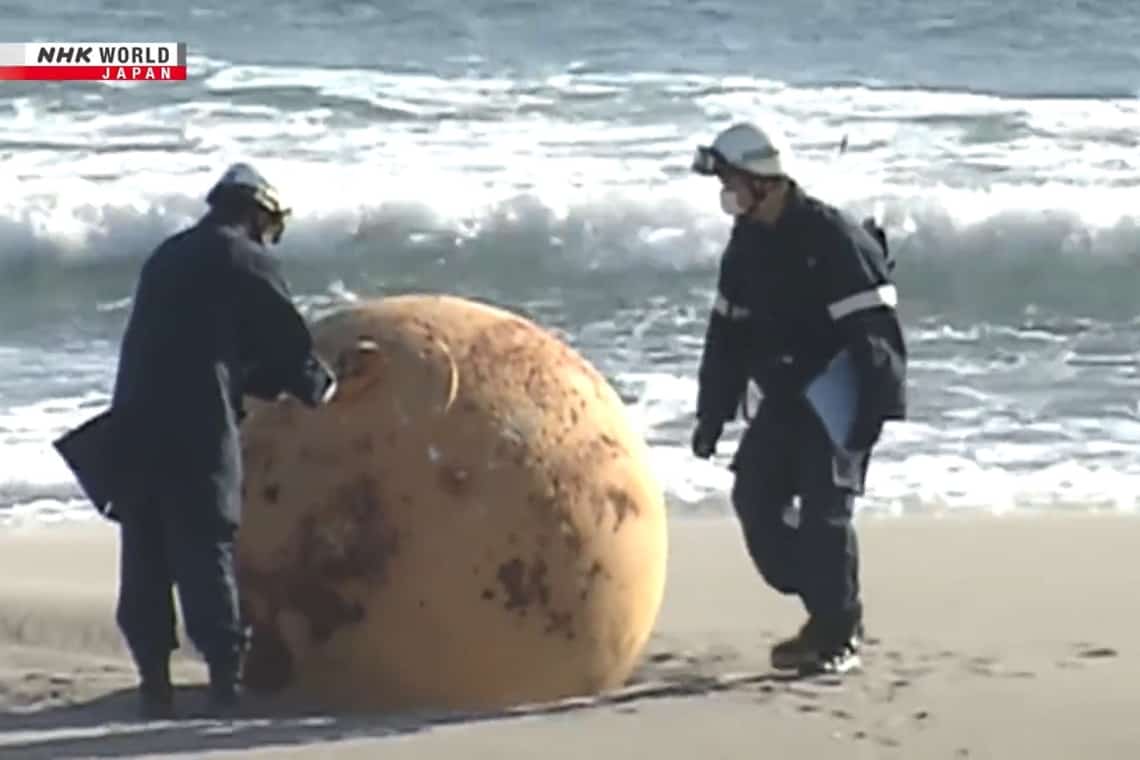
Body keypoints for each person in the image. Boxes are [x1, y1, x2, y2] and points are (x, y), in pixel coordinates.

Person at [62, 163, 338, 718]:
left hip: (136, 419)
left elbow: (212, 343)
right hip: (197, 425)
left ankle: (154, 686)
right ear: (258, 213)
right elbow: (286, 345)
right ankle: (224, 685)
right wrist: (321, 387)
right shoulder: (246, 258)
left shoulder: (168, 254)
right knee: (205, 543)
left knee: (146, 548)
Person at [688, 121, 907, 676]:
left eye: (734, 181)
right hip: (783, 393)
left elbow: (877, 336)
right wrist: (711, 415)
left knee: (824, 517)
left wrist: (872, 414)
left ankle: (837, 634)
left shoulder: (834, 239)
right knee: (754, 502)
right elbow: (727, 334)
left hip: (840, 390)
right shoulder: (746, 243)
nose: (727, 194)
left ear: (767, 182)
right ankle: (826, 606)